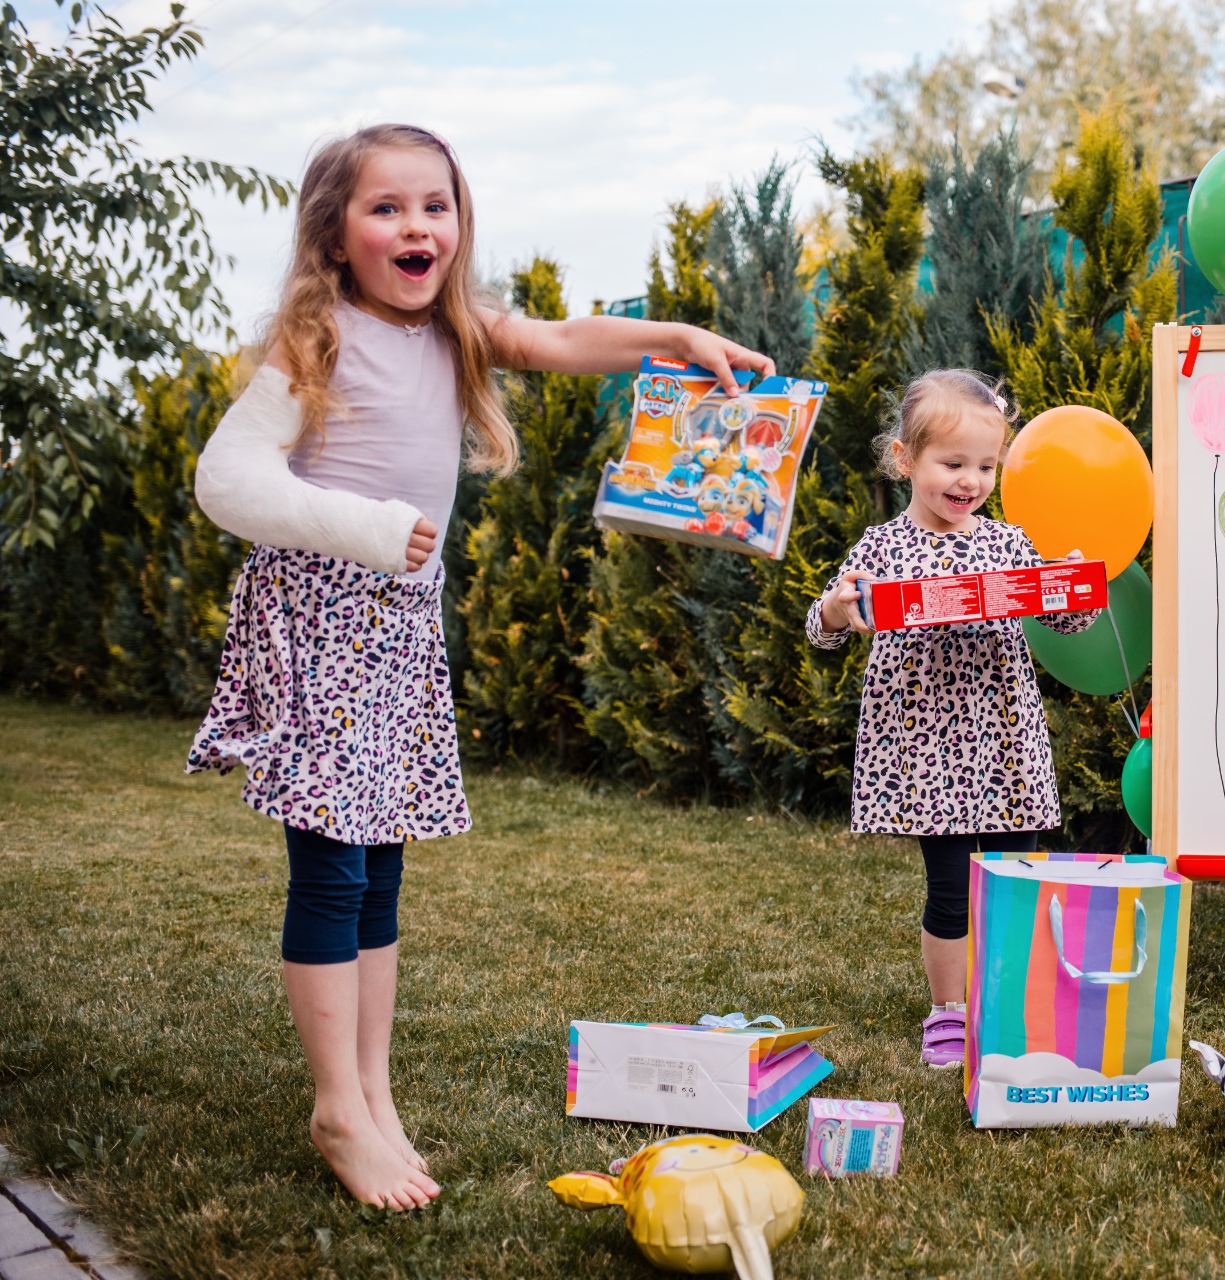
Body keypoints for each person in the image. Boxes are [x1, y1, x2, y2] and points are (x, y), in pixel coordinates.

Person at [186, 124, 773, 1210]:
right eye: (387, 208)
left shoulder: (457, 333)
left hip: (399, 626)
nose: (417, 227)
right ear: (337, 232)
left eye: (436, 206)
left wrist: (679, 336)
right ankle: (335, 1106)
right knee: (333, 870)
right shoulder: (318, 338)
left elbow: (559, 338)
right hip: (318, 619)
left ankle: (371, 1089)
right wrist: (364, 525)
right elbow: (225, 479)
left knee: (383, 869)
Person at [806, 370, 1098, 1069]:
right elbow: (823, 626)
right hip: (926, 745)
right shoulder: (879, 547)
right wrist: (841, 608)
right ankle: (948, 1011)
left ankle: (1009, 1002)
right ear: (906, 459)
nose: (970, 480)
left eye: (985, 466)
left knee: (1014, 877)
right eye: (953, 463)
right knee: (950, 886)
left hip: (1002, 738)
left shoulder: (1006, 542)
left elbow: (1065, 614)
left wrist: (1075, 583)